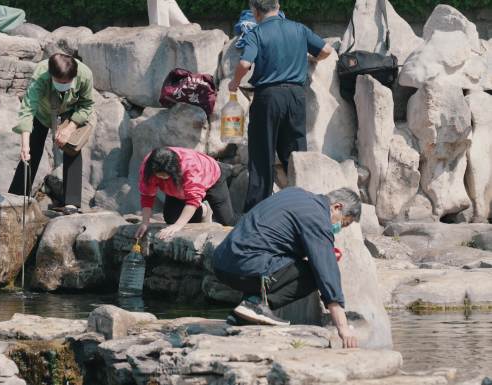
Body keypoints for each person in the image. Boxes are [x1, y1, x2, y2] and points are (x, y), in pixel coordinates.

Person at [212, 187, 361, 349]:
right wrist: (343, 327)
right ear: (337, 207)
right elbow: (327, 273)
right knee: (314, 273)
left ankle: (242, 315)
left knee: (292, 261)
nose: (338, 228)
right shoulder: (317, 217)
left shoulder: (295, 194)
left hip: (223, 262)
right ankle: (255, 305)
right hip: (247, 265)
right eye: (343, 223)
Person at [229, 0, 333, 212]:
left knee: (261, 156)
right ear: (278, 8)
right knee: (296, 155)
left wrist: (235, 81)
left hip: (268, 97)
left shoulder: (256, 33)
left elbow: (244, 64)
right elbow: (326, 49)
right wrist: (312, 59)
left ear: (255, 12)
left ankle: (257, 213)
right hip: (296, 96)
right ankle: (303, 207)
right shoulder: (299, 29)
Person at [8, 53, 94, 212]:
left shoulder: (85, 74)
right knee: (31, 151)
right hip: (43, 111)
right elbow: (27, 109)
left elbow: (87, 105)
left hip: (70, 111)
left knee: (72, 148)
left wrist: (70, 128)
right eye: (60, 82)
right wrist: (24, 144)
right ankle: (17, 197)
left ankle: (72, 203)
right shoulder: (41, 74)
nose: (64, 84)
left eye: (68, 81)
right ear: (51, 76)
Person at [135, 147, 235, 241]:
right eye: (159, 175)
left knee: (227, 223)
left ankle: (206, 208)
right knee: (172, 219)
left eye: (164, 175)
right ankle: (203, 210)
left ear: (174, 169)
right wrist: (145, 222)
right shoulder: (149, 166)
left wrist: (178, 226)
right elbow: (147, 195)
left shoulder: (190, 166)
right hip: (177, 187)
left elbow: (192, 200)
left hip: (211, 177)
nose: (161, 177)